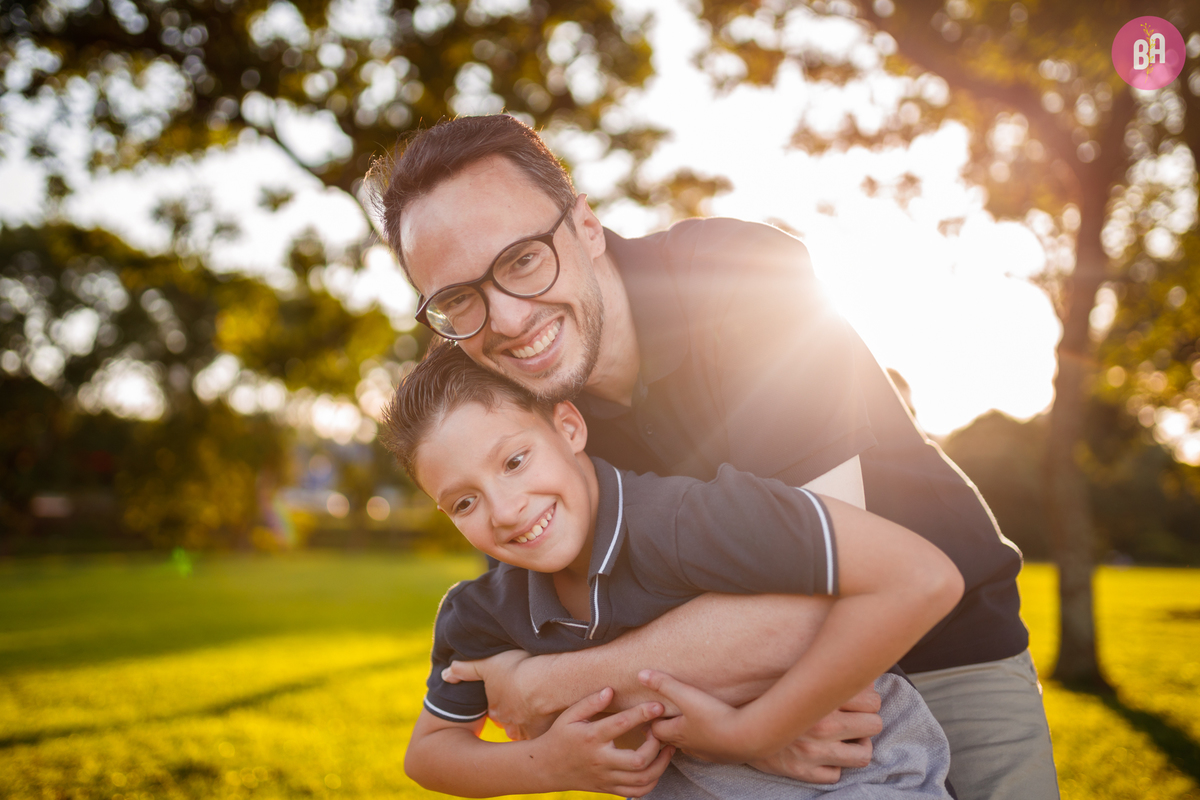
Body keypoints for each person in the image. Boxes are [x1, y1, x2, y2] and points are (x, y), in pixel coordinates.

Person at [366, 114, 1059, 799]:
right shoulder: (497, 399)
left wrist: (549, 684)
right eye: (459, 299)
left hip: (943, 642)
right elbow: (539, 618)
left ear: (585, 224)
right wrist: (728, 723)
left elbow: (817, 601)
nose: (509, 320)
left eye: (522, 259)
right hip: (717, 699)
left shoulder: (742, 280)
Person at [387, 341, 962, 798]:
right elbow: (431, 753)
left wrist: (750, 732)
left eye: (514, 461)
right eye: (464, 502)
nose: (506, 510)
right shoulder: (481, 613)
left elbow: (922, 578)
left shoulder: (689, 519)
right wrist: (550, 764)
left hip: (849, 776)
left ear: (568, 428)